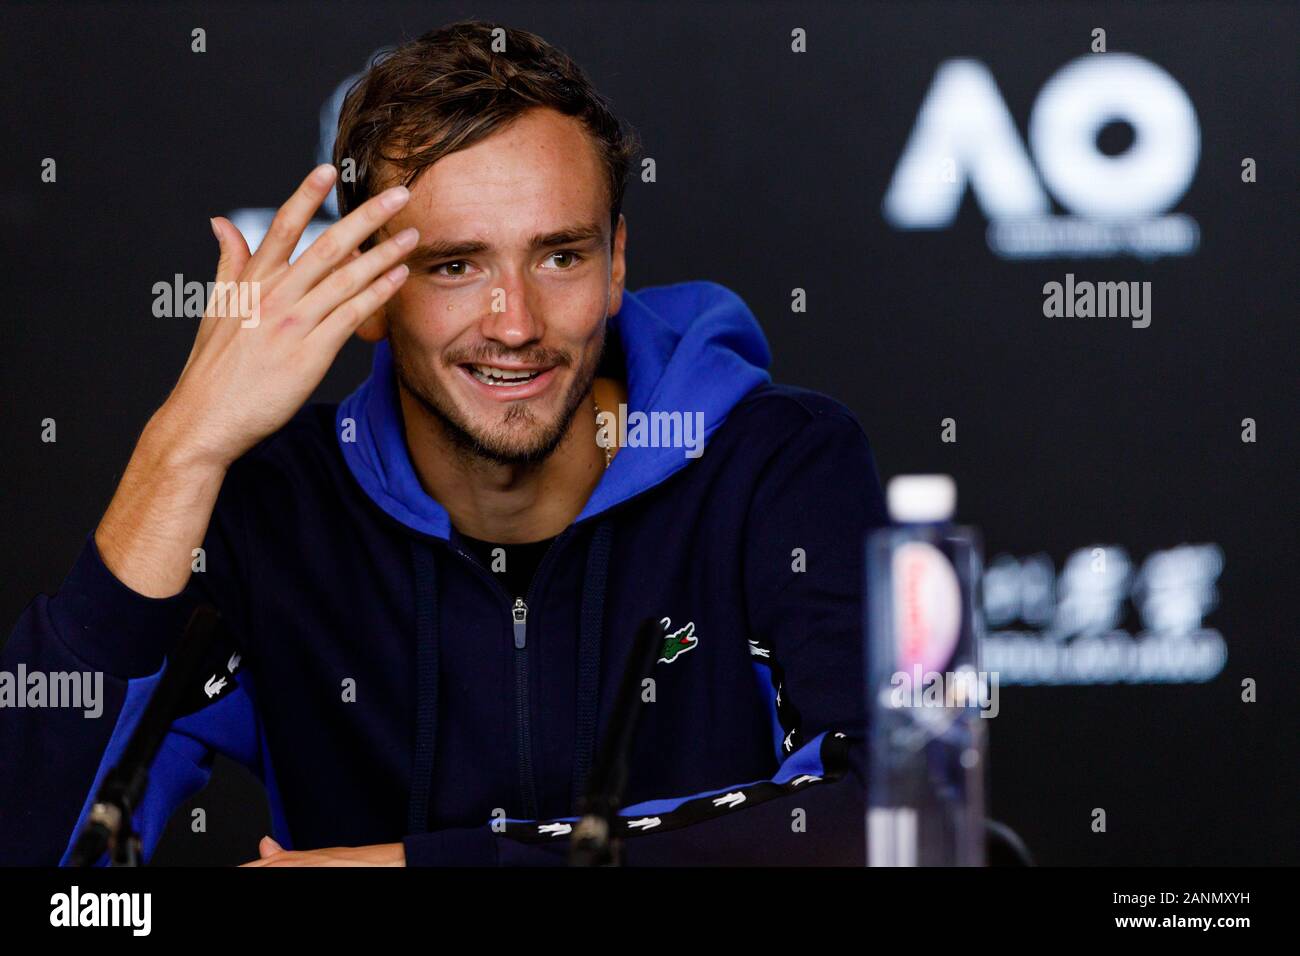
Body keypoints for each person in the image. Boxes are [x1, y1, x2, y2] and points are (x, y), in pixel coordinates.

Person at [0, 19, 887, 866]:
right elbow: (48, 873)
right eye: (455, 265)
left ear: (617, 263)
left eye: (560, 256)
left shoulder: (777, 464)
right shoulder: (273, 509)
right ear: (369, 292)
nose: (515, 323)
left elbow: (887, 825)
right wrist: (181, 448)